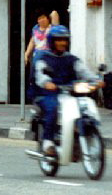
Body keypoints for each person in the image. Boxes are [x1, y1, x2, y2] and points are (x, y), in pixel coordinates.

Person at [34, 25, 103, 157]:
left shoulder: (71, 59)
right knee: (52, 107)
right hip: (48, 93)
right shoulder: (43, 58)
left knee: (83, 106)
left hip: (69, 92)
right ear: (51, 41)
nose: (62, 43)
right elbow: (40, 73)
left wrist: (96, 80)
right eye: (58, 40)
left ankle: (77, 131)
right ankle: (48, 142)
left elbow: (84, 72)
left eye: (64, 39)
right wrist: (47, 82)